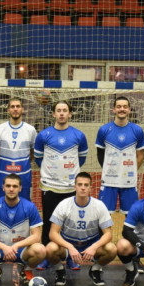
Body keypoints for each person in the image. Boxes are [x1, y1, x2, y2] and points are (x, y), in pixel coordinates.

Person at [34, 99, 88, 250]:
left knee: (71, 222)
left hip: (70, 187)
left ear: (70, 114)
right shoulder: (43, 135)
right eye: (58, 110)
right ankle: (47, 252)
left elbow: (81, 158)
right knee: (49, 220)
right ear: (53, 114)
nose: (62, 113)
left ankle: (71, 253)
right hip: (50, 187)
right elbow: (38, 158)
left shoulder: (79, 135)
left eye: (65, 111)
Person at [45, 172, 116, 286]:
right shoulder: (64, 205)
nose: (83, 188)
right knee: (49, 249)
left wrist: (94, 247)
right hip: (68, 246)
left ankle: (95, 270)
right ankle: (60, 270)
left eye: (86, 185)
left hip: (89, 246)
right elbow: (53, 233)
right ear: (75, 187)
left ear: (90, 188)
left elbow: (108, 234)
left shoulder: (99, 205)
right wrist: (70, 247)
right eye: (80, 184)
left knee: (111, 249)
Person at [0, 174, 46, 286]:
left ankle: (27, 270)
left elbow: (36, 236)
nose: (11, 189)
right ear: (3, 188)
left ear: (20, 188)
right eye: (8, 186)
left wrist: (16, 246)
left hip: (21, 250)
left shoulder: (30, 207)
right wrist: (4, 247)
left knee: (41, 250)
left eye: (14, 186)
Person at [95, 96, 144, 214]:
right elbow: (100, 155)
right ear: (114, 109)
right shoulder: (104, 130)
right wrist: (109, 169)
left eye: (125, 107)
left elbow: (140, 156)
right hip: (108, 181)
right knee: (104, 215)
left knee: (131, 216)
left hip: (129, 181)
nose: (122, 109)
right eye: (118, 107)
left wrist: (131, 170)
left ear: (129, 110)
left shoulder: (137, 130)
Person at [0, 98, 37, 200]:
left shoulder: (30, 130)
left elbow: (33, 153)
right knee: (2, 203)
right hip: (4, 174)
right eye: (12, 107)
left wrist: (23, 162)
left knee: (24, 204)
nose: (15, 109)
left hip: (24, 175)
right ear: (8, 110)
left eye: (18, 106)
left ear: (22, 109)